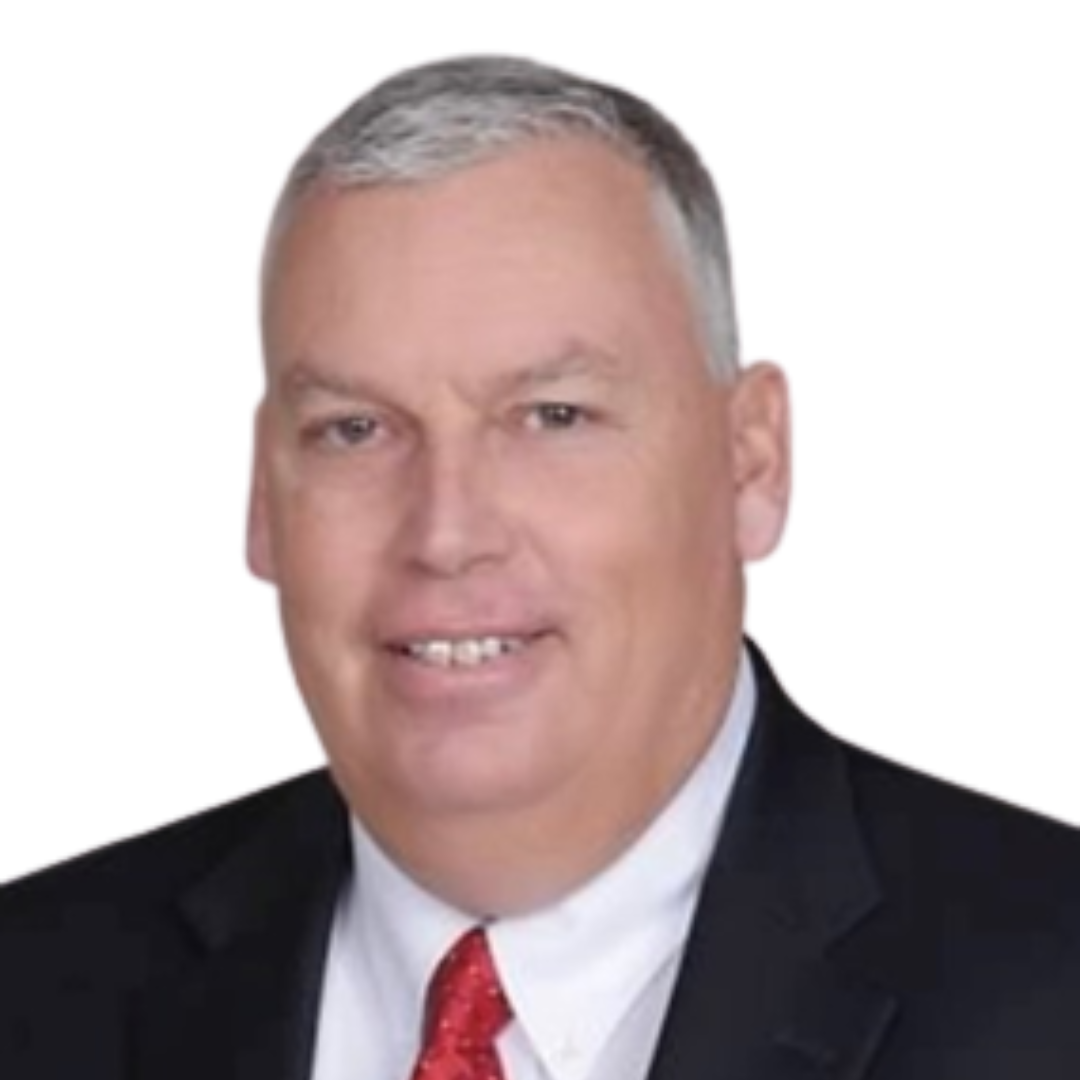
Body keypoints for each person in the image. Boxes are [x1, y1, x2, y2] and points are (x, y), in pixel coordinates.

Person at [2, 53, 1080, 1080]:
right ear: (261, 499)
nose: (447, 530)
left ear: (751, 461)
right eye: (354, 430)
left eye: (553, 416)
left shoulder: (1051, 986)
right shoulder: (35, 990)